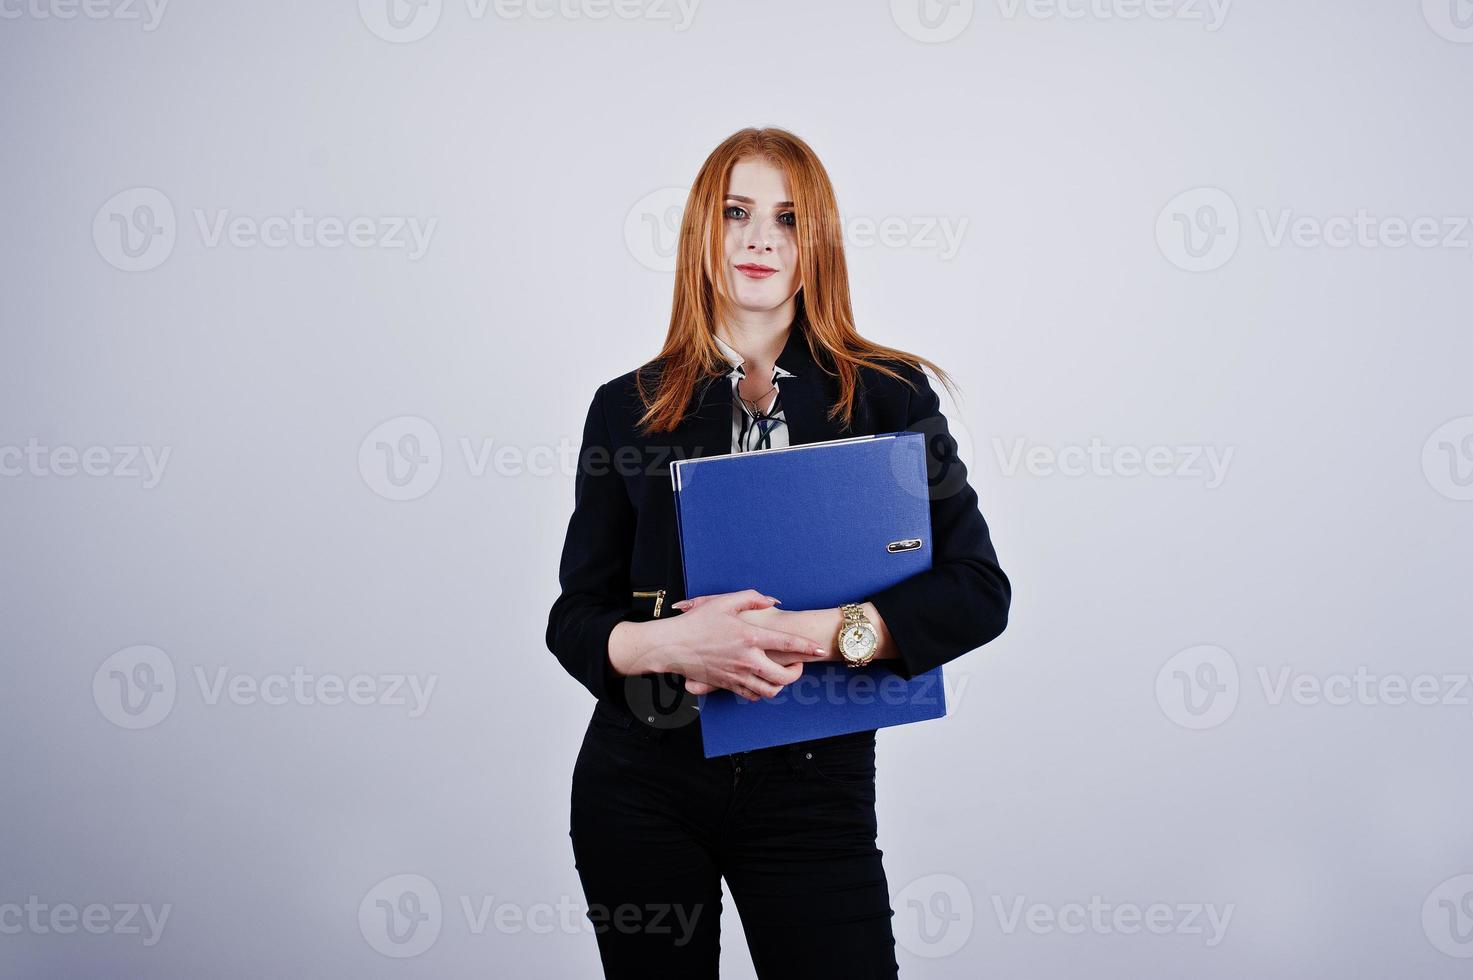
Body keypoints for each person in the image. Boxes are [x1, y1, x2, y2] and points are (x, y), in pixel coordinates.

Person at [546, 126, 1011, 979]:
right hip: (641, 781)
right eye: (737, 212)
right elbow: (575, 617)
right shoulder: (624, 409)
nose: (760, 237)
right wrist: (666, 645)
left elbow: (977, 591)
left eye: (789, 219)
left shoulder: (890, 398)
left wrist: (811, 633)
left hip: (813, 791)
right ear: (701, 233)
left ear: (815, 245)